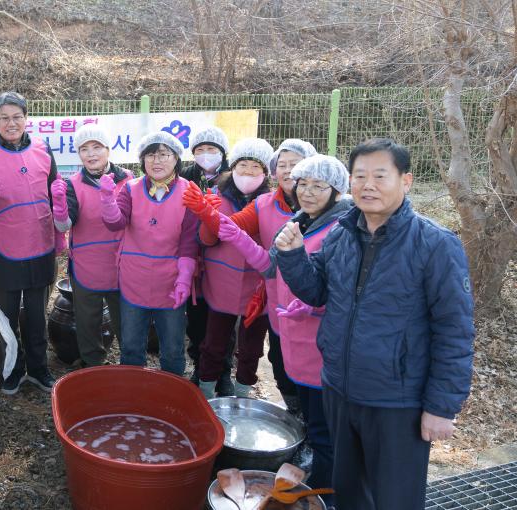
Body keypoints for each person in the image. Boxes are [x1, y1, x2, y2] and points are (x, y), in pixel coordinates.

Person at [274, 139, 474, 509]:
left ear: (406, 180)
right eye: (360, 176)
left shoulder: (435, 244)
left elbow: (455, 330)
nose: (368, 185)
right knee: (349, 493)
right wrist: (291, 256)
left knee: (395, 498)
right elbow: (317, 292)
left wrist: (442, 406)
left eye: (380, 176)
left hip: (397, 401)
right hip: (339, 389)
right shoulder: (342, 233)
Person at [212, 154, 353, 504]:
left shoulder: (343, 230)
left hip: (323, 345)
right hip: (293, 338)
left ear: (337, 191)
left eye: (318, 186)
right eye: (301, 183)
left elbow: (344, 288)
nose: (306, 191)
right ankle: (316, 483)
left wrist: (315, 303)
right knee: (309, 418)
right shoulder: (299, 220)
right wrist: (237, 236)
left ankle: (326, 496)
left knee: (326, 431)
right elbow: (270, 267)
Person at [187, 138, 317, 409]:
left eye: (254, 167)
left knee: (253, 349)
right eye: (242, 166)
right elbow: (218, 234)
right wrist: (207, 214)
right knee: (214, 343)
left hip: (264, 292)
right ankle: (207, 394)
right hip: (222, 287)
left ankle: (244, 398)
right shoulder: (244, 201)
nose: (247, 173)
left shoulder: (315, 207)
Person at [0, 92, 59, 394]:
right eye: (4, 117)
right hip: (3, 243)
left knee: (36, 311)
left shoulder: (44, 150)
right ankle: (13, 369)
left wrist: (60, 234)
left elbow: (54, 193)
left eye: (17, 117)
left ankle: (39, 368)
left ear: (26, 118)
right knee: (6, 314)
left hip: (41, 241)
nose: (11, 123)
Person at [101, 131, 200, 376]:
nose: (157, 161)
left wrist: (185, 278)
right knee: (132, 346)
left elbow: (190, 241)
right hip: (134, 279)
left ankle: (171, 398)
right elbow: (116, 222)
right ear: (143, 160)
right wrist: (107, 199)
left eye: (164, 155)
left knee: (173, 348)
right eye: (151, 155)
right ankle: (132, 394)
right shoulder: (131, 189)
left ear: (176, 159)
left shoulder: (189, 191)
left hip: (172, 281)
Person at [51, 125, 130, 368]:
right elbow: (64, 225)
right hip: (87, 264)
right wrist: (60, 206)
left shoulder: (128, 179)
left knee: (127, 322)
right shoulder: (72, 184)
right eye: (84, 149)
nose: (91, 154)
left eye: (97, 147)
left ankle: (132, 366)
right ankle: (93, 365)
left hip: (123, 264)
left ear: (108, 149)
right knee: (87, 322)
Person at [179, 126, 234, 393]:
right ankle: (200, 366)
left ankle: (222, 371)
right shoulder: (188, 175)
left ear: (223, 153)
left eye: (211, 149)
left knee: (222, 318)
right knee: (197, 315)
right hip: (194, 256)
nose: (205, 155)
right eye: (199, 150)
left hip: (223, 256)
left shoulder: (232, 178)